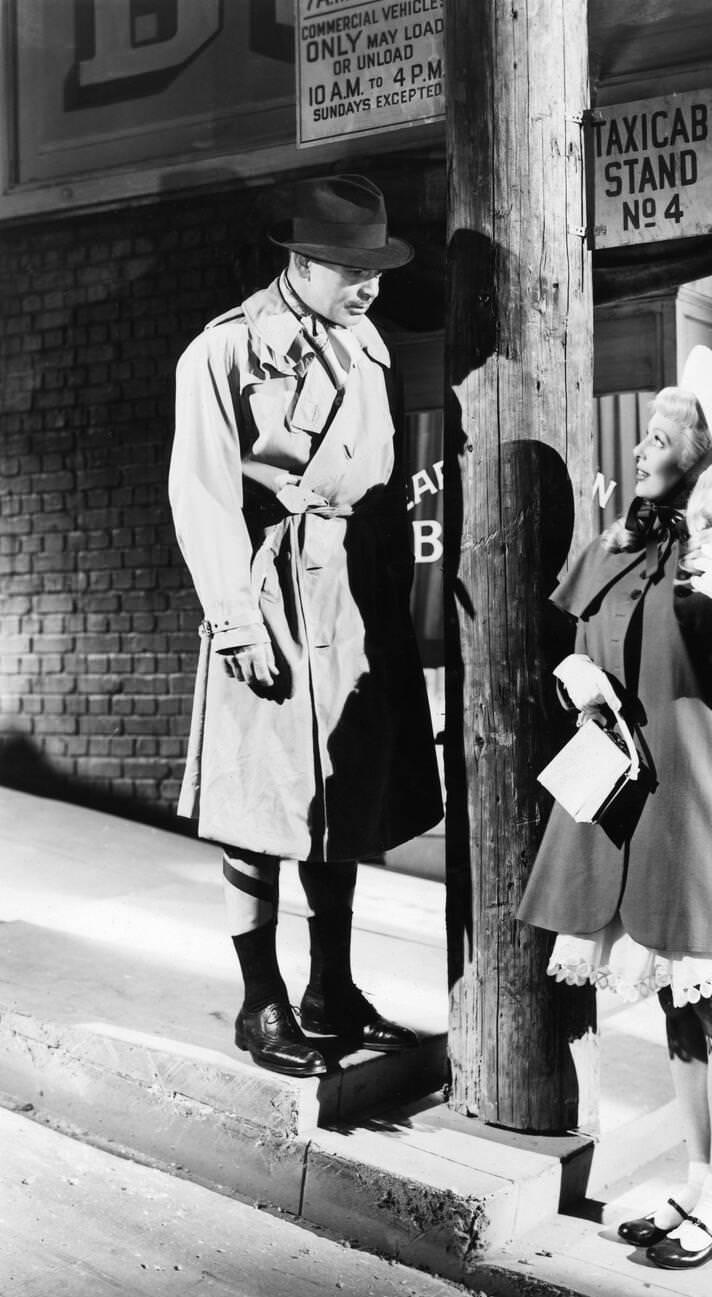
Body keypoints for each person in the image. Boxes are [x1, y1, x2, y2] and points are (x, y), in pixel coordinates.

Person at [518, 346, 712, 1271]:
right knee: (680, 1013)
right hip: (637, 813)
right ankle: (696, 1186)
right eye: (643, 435)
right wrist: (577, 681)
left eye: (659, 437)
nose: (641, 448)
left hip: (709, 816)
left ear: (702, 459)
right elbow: (591, 657)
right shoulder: (622, 551)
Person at [169, 174, 442, 1078]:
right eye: (351, 270)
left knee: (343, 795)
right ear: (301, 262)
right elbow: (202, 493)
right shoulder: (223, 352)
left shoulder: (368, 343)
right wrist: (236, 624)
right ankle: (261, 1003)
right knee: (260, 801)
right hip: (272, 588)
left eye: (376, 270)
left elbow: (384, 484)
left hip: (354, 591)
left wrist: (392, 599)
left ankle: (333, 992)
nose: (369, 287)